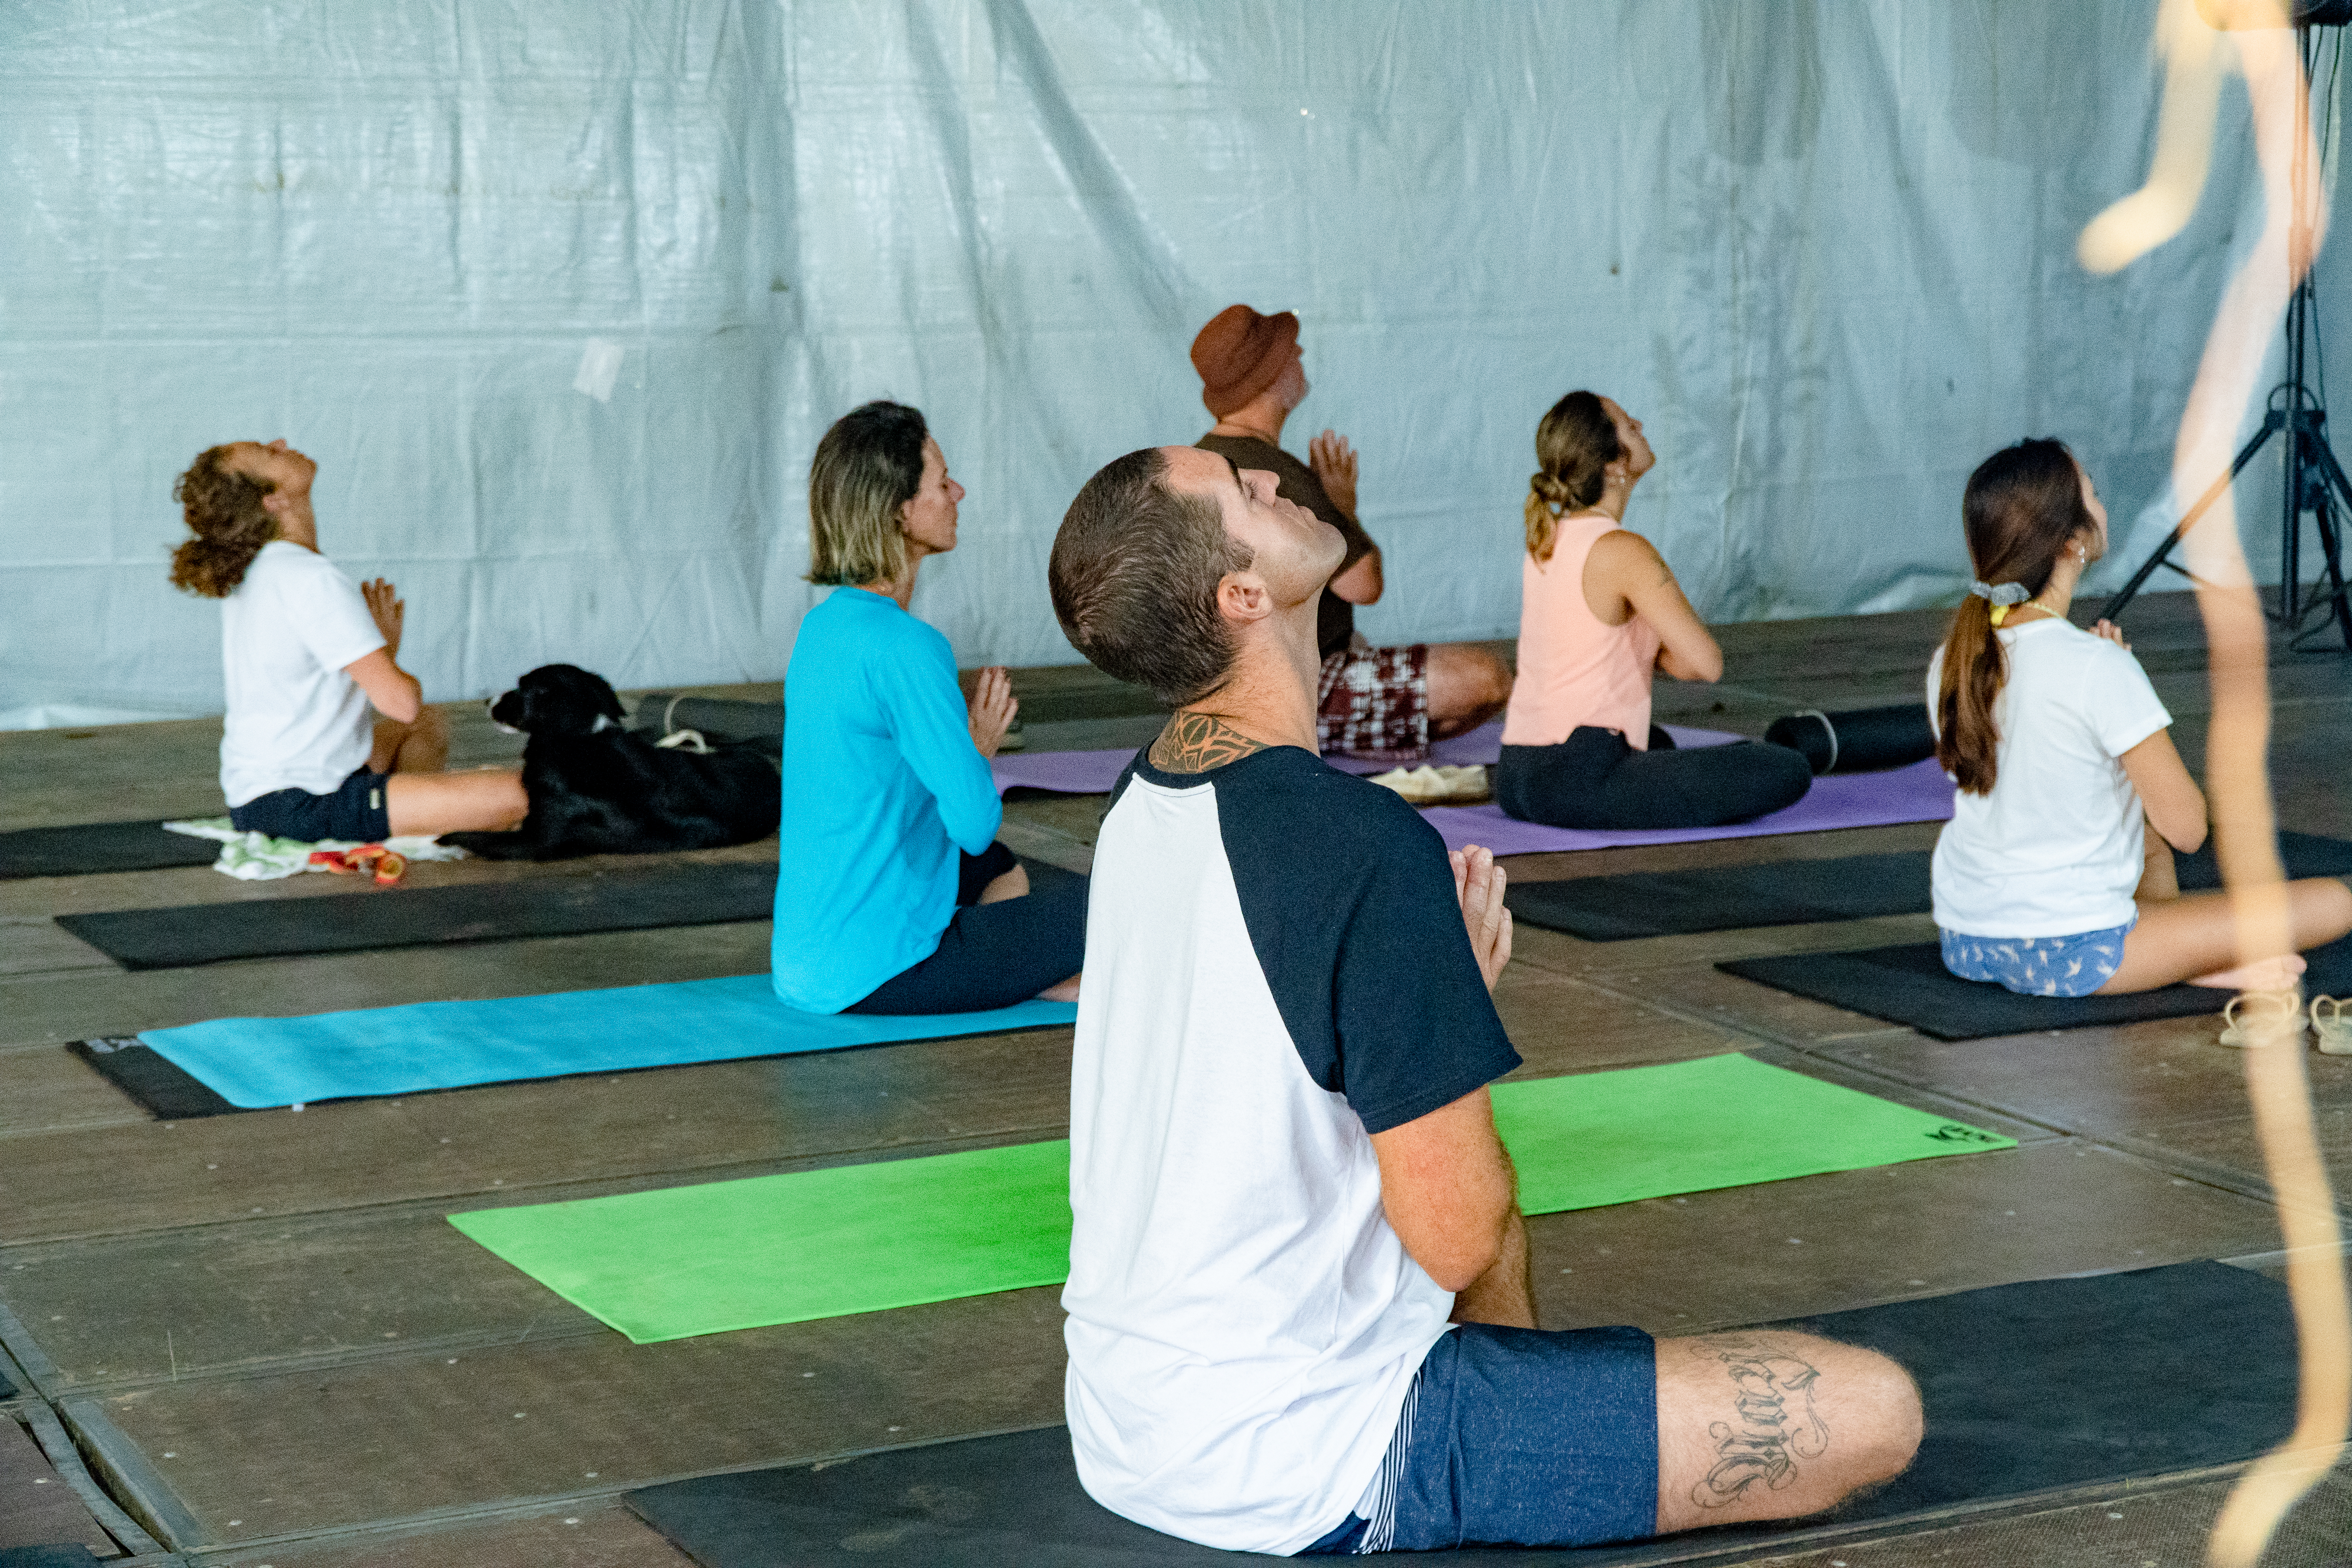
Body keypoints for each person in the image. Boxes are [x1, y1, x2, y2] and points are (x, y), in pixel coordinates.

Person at [1045, 444, 1921, 1555]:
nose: (1274, 484)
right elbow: (1460, 1234)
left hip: (1128, 1428)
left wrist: (1422, 992)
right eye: (1247, 497)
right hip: (1307, 1455)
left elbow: (1265, 1051)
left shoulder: (1143, 797)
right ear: (1243, 596)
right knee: (1869, 1409)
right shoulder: (1359, 844)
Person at [1930, 437, 2352, 999]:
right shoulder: (2094, 665)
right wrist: (2121, 690)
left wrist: (2112, 704)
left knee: (2144, 843)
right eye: (2094, 497)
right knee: (2335, 903)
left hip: (1968, 942)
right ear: (2072, 540)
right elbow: (2189, 829)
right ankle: (2185, 962)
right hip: (2075, 956)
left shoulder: (1956, 659)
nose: (2103, 507)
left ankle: (2187, 960)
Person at [770, 401, 1085, 1015]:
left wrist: (964, 752)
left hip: (806, 962)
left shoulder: (821, 628)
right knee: (1113, 905)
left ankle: (1020, 974)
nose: (958, 491)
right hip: (880, 972)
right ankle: (1028, 978)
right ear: (900, 511)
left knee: (999, 870)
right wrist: (978, 750)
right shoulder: (909, 648)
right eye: (942, 483)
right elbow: (973, 822)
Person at [1190, 304, 1512, 763]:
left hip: (1234, 689)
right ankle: (1308, 732)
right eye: (1293, 355)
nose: (1301, 359)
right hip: (1303, 685)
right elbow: (1363, 584)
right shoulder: (1281, 475)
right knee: (1488, 677)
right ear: (1272, 375)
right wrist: (1342, 508)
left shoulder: (1201, 461)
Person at [169, 441, 526, 841]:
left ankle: (412, 824)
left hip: (259, 800)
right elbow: (402, 703)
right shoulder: (309, 579)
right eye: (270, 454)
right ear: (274, 500)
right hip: (306, 805)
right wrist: (387, 659)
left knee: (428, 724)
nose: (282, 445)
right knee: (524, 793)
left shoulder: (261, 569)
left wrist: (380, 654)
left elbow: (321, 686)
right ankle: (407, 816)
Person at [1497, 391, 1812, 830]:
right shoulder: (1625, 550)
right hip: (1578, 777)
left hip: (1516, 775)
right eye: (1629, 425)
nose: (1641, 426)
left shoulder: (1547, 541)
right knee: (1785, 767)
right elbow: (1705, 663)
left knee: (1657, 741)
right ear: (1614, 464)